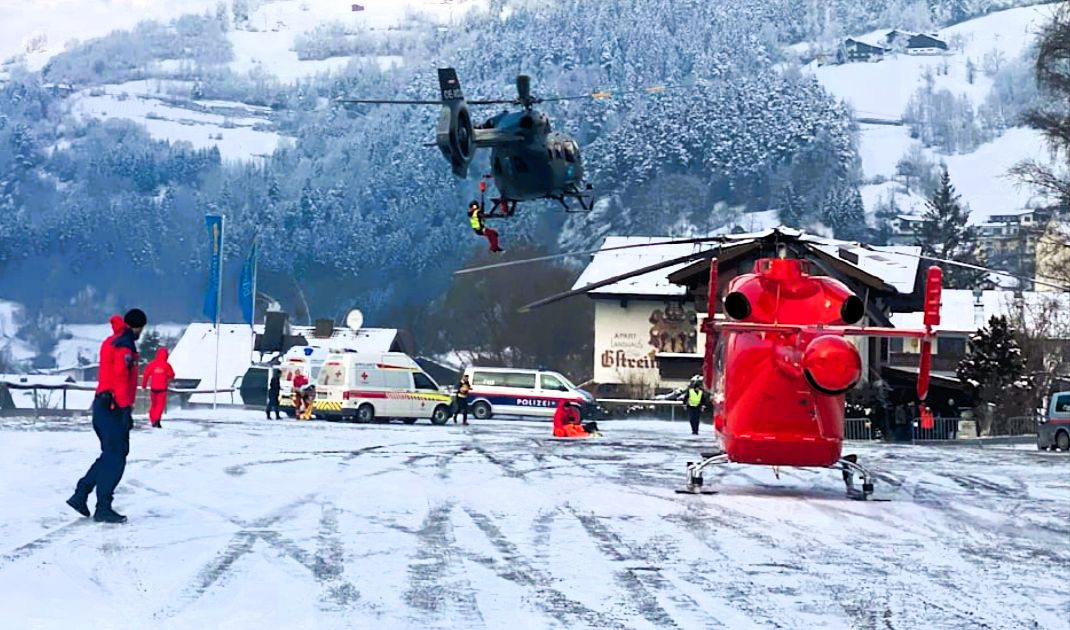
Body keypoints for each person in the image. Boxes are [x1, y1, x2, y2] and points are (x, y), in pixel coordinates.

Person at [67, 308, 146, 524]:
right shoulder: (125, 344)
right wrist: (123, 409)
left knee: (110, 455)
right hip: (113, 407)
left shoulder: (113, 340)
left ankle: (81, 494)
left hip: (103, 404)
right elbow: (121, 376)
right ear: (137, 326)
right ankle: (102, 506)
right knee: (116, 458)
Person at [141, 347, 174, 428]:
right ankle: (157, 419)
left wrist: (144, 385)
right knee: (160, 405)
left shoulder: (152, 364)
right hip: (162, 389)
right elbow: (172, 374)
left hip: (153, 388)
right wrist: (165, 376)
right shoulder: (167, 365)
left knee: (153, 405)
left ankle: (152, 420)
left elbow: (146, 375)